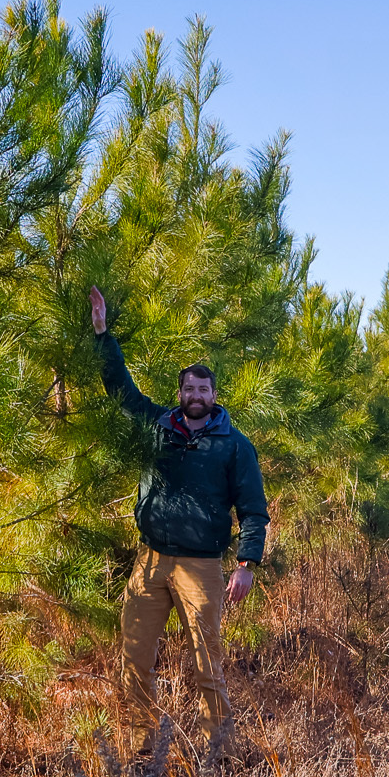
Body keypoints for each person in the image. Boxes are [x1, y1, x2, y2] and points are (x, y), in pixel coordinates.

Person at [89, 286, 268, 752]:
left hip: (201, 567)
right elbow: (121, 390)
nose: (195, 396)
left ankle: (218, 752)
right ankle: (139, 746)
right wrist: (103, 335)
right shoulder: (158, 425)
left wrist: (247, 564)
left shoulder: (234, 445)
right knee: (133, 658)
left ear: (213, 396)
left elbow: (253, 509)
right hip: (150, 563)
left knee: (208, 662)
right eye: (188, 388)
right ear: (180, 393)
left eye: (203, 390)